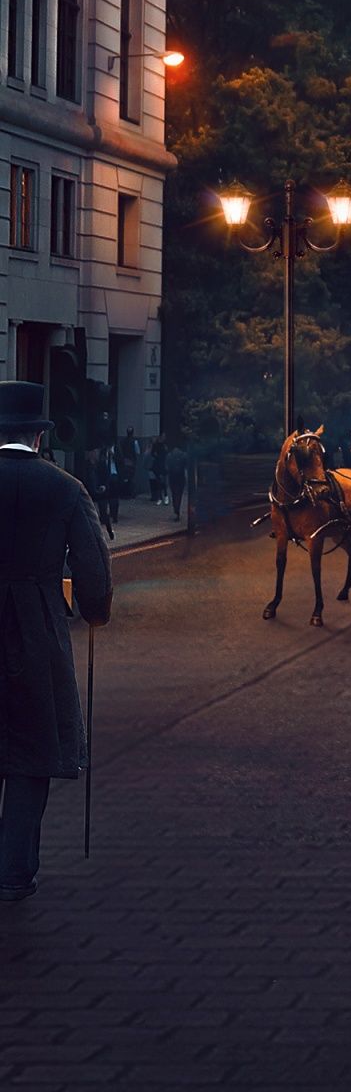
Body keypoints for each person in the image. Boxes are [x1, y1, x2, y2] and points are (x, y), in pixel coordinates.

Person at [0, 381, 113, 901]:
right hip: (37, 630)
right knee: (30, 750)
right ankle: (15, 873)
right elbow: (92, 567)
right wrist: (94, 610)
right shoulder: (65, 488)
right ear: (39, 438)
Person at [166, 439, 188, 521]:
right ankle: (177, 510)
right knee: (179, 494)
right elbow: (187, 466)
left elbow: (167, 466)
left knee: (174, 494)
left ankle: (176, 509)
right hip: (180, 476)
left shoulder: (169, 455)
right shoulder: (184, 455)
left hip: (172, 477)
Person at [147, 434, 168, 505]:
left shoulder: (164, 446)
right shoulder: (156, 446)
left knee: (162, 482)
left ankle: (165, 496)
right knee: (159, 482)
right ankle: (160, 497)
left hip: (162, 466)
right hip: (157, 466)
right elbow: (153, 454)